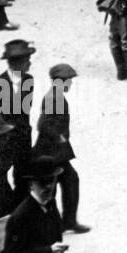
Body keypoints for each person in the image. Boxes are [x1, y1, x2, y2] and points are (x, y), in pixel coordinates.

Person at [31, 63, 88, 234]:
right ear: (60, 81)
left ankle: (67, 221)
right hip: (50, 152)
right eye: (69, 81)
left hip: (55, 152)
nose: (71, 84)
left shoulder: (56, 95)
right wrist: (59, 137)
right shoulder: (54, 98)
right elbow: (42, 124)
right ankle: (57, 224)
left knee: (69, 180)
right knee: (56, 185)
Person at [1, 155, 67, 253]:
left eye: (51, 180)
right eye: (43, 182)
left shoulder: (51, 204)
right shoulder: (20, 217)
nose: (48, 186)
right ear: (31, 184)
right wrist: (48, 251)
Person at [0, 38, 34, 203]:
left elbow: (26, 111)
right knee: (0, 181)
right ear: (17, 62)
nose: (30, 64)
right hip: (6, 141)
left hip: (24, 139)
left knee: (24, 179)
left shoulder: (28, 80)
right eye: (27, 60)